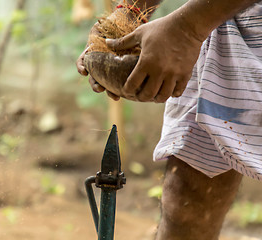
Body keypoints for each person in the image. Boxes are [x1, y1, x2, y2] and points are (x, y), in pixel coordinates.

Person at [76, 0, 262, 239]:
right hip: (220, 22)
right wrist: (131, 11)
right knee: (185, 202)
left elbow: (189, 27)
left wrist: (187, 28)